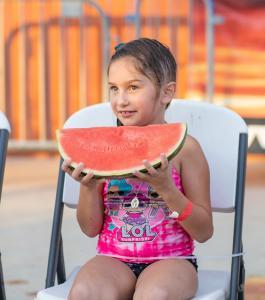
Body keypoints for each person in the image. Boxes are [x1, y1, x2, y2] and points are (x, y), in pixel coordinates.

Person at [62, 38, 213, 300]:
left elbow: (203, 231)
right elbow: (90, 229)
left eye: (132, 87)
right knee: (85, 292)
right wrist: (88, 187)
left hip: (172, 261)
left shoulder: (186, 150)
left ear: (166, 92)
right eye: (113, 88)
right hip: (112, 258)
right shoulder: (102, 149)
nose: (120, 100)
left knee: (154, 295)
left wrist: (166, 188)